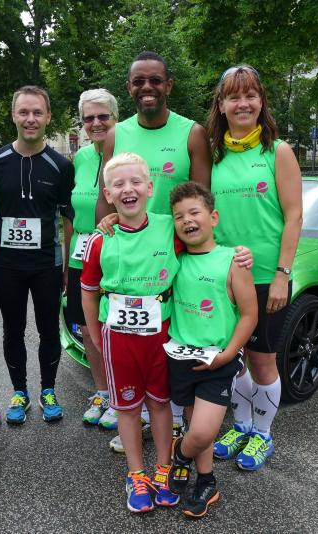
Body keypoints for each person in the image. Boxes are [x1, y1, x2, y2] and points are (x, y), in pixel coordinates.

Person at [95, 51, 212, 447]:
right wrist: (102, 234)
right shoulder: (116, 135)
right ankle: (141, 416)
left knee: (176, 337)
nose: (147, 88)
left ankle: (175, 416)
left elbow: (202, 200)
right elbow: (104, 197)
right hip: (132, 260)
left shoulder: (192, 133)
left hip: (178, 254)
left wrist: (210, 256)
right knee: (137, 339)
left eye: (155, 80)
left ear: (169, 85)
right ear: (129, 88)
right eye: (139, 81)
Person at [207, 65, 303, 472]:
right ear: (221, 105)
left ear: (261, 102)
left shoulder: (277, 151)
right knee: (233, 359)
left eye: (250, 95)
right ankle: (241, 426)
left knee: (262, 360)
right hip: (224, 277)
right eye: (234, 96)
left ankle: (262, 433)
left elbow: (294, 215)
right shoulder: (213, 155)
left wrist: (282, 273)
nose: (242, 103)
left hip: (266, 277)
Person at [81, 152, 181, 512]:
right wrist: (96, 334)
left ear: (150, 188)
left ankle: (163, 470)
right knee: (127, 407)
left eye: (136, 182)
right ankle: (136, 474)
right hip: (118, 337)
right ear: (108, 194)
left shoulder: (170, 227)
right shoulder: (99, 239)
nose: (128, 189)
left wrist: (239, 254)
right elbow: (88, 290)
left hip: (161, 334)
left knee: (160, 403)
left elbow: (204, 242)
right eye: (118, 184)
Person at [165, 182, 257, 518]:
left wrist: (229, 354)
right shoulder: (173, 260)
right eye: (179, 216)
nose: (187, 220)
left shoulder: (233, 261)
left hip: (218, 359)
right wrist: (112, 218)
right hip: (180, 358)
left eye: (194, 212)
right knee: (195, 424)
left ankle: (179, 454)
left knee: (203, 431)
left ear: (213, 217)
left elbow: (249, 314)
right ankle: (206, 481)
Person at [0, 86, 74, 424]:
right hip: (6, 265)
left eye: (37, 112)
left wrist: (67, 266)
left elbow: (67, 218)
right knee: (13, 330)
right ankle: (19, 391)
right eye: (24, 112)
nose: (30, 119)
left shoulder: (61, 165)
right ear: (14, 116)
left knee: (49, 330)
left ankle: (48, 390)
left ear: (48, 117)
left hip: (46, 264)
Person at [67, 89, 120, 429]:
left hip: (116, 257)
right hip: (81, 256)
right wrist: (65, 267)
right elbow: (69, 216)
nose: (96, 123)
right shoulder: (82, 158)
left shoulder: (127, 154)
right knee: (88, 330)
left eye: (103, 116)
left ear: (116, 117)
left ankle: (121, 396)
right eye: (89, 118)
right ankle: (102, 392)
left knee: (116, 331)